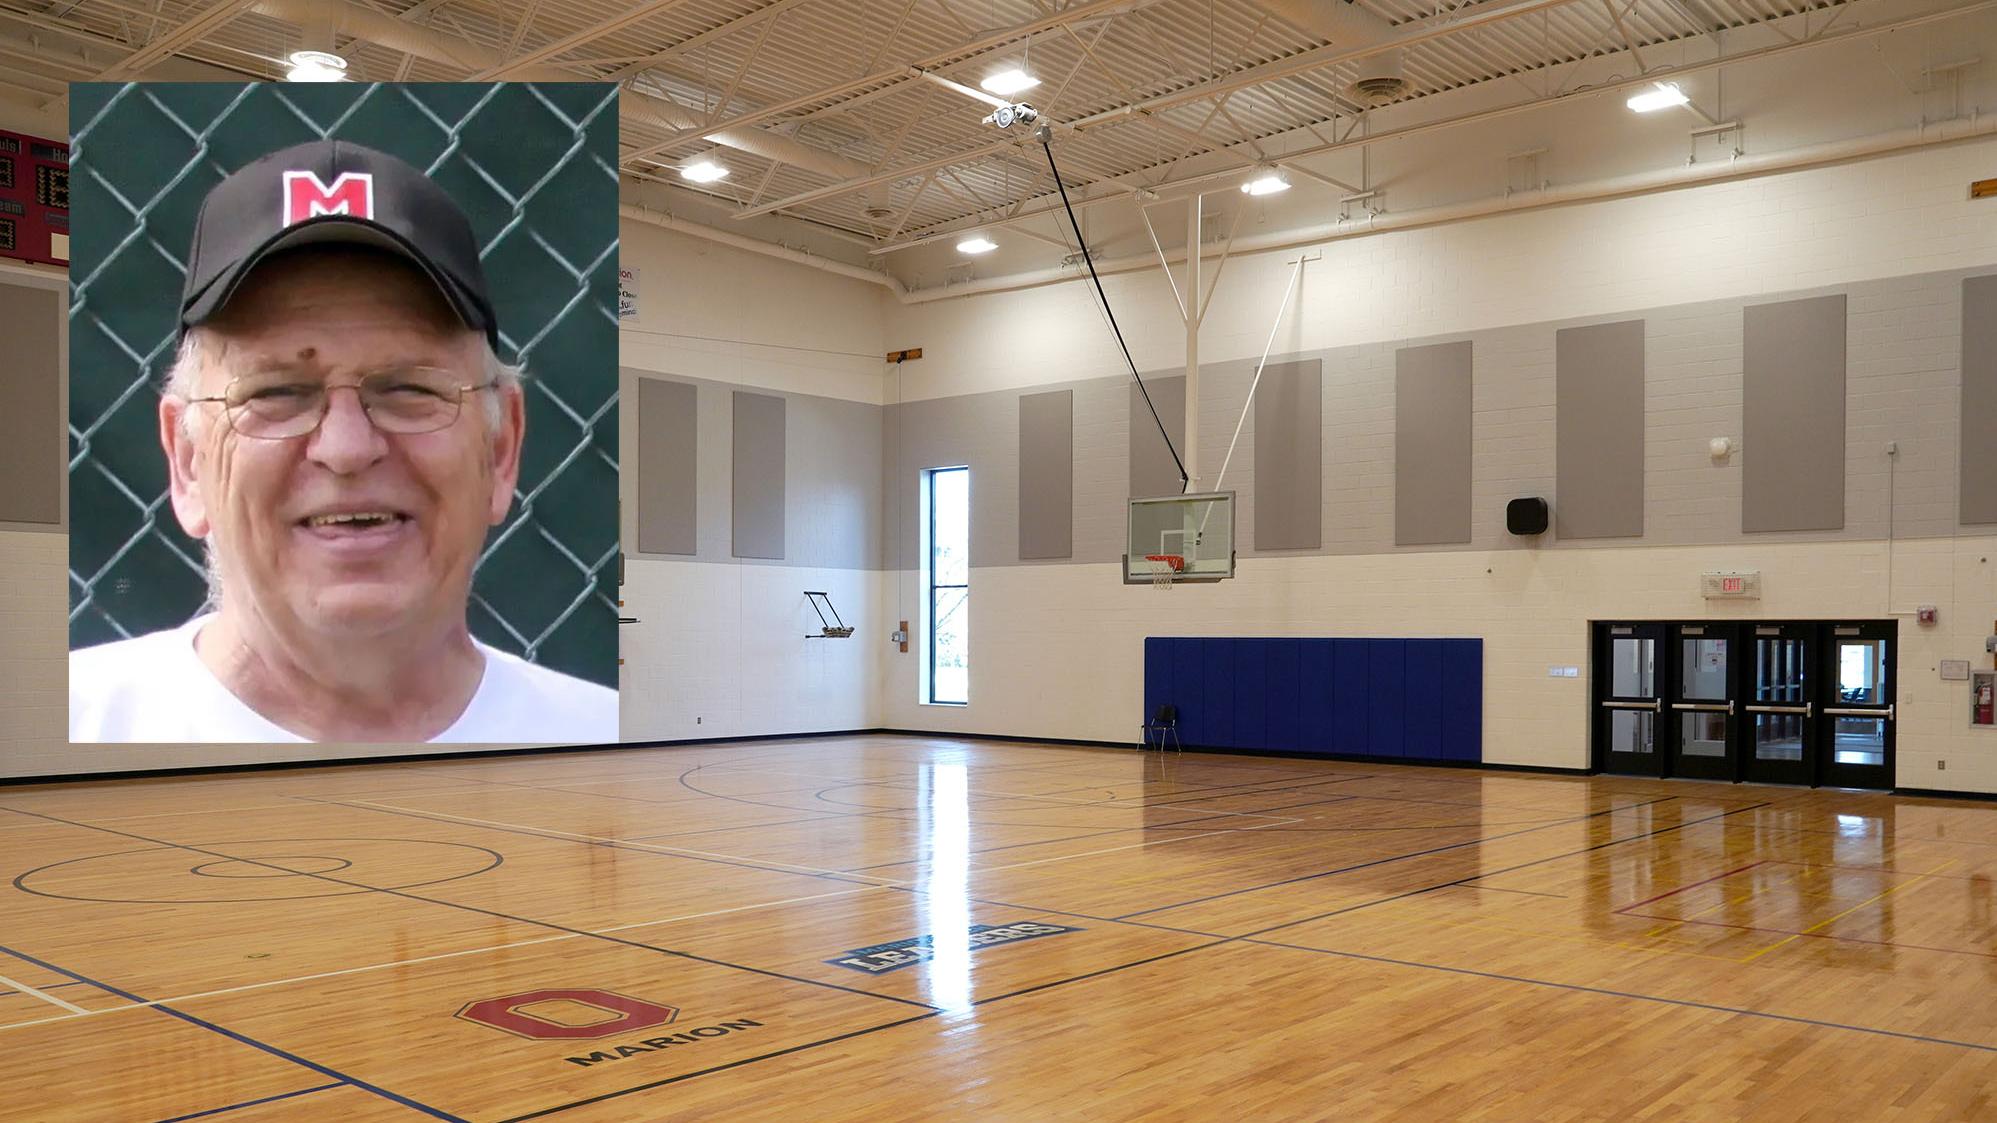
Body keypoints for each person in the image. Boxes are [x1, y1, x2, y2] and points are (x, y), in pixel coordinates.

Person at [69, 139, 618, 744]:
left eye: (410, 388)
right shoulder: (60, 730)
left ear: (500, 450)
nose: (348, 448)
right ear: (189, 461)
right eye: (276, 393)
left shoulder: (608, 742)